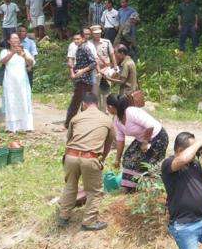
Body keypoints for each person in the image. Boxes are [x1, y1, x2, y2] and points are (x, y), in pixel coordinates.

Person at [57, 92, 113, 231]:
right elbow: (108, 144)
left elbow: (69, 140)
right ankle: (89, 222)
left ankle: (64, 217)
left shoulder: (76, 118)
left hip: (70, 156)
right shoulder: (107, 120)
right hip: (90, 158)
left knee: (70, 186)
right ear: (97, 104)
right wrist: (101, 160)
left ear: (83, 104)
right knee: (94, 191)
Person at [108, 94, 168, 192]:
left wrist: (145, 142)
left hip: (158, 136)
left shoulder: (131, 112)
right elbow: (120, 140)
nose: (107, 109)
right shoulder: (117, 120)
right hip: (142, 139)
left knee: (149, 163)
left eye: (107, 107)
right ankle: (130, 187)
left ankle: (153, 188)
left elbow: (150, 126)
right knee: (128, 157)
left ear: (110, 107)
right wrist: (117, 160)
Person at [0, 33, 34, 132]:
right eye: (13, 38)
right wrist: (12, 52)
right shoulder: (4, 51)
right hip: (10, 81)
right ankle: (12, 127)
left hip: (22, 80)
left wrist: (23, 55)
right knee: (11, 101)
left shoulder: (25, 51)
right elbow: (3, 61)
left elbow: (31, 63)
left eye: (17, 38)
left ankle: (26, 126)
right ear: (9, 41)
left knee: (24, 100)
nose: (16, 40)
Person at [65, 31, 95, 126]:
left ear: (83, 39)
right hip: (81, 79)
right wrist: (73, 71)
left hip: (85, 80)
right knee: (82, 102)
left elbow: (94, 63)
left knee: (77, 102)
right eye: (74, 39)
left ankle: (69, 124)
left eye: (78, 39)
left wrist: (82, 71)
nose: (76, 41)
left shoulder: (85, 49)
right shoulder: (78, 49)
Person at [85, 25, 116, 108]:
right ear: (92, 34)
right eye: (95, 33)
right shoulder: (89, 44)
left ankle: (106, 110)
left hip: (106, 69)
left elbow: (112, 54)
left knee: (107, 91)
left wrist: (115, 66)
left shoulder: (107, 42)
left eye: (99, 33)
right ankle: (98, 110)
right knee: (96, 91)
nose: (97, 35)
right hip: (95, 70)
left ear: (101, 32)